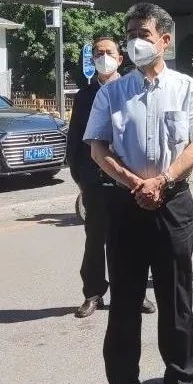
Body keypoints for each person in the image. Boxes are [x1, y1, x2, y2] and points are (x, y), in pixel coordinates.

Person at [85, 2, 193, 384]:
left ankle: (181, 382)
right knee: (124, 298)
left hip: (173, 201)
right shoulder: (111, 92)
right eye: (130, 35)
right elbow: (98, 148)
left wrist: (162, 180)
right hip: (125, 203)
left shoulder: (188, 88)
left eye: (143, 34)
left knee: (175, 296)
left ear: (165, 40)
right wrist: (134, 182)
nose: (134, 43)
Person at [67, 35, 156, 318]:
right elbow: (75, 140)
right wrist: (81, 177)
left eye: (109, 52)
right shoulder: (85, 95)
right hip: (95, 179)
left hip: (129, 178)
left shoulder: (132, 89)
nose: (103, 57)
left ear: (120, 58)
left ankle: (135, 292)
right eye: (98, 53)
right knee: (95, 238)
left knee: (131, 239)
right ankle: (93, 293)